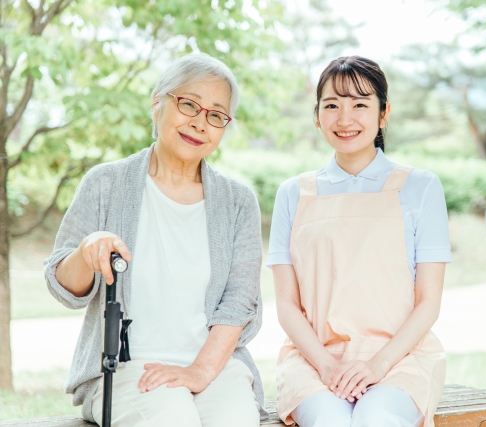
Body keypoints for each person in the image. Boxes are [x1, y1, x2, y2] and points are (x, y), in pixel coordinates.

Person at [44, 53, 265, 427]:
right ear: (157, 102)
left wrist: (198, 372)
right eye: (189, 104)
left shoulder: (238, 202)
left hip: (215, 369)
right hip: (128, 369)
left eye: (215, 115)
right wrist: (86, 251)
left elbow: (239, 302)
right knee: (172, 419)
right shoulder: (106, 184)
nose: (200, 122)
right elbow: (63, 286)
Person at [268, 56, 452, 427]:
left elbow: (428, 302)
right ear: (317, 115)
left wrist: (377, 364)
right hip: (312, 360)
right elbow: (287, 304)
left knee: (378, 420)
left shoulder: (421, 187)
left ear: (383, 114)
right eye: (332, 105)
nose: (344, 118)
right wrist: (325, 365)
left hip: (401, 359)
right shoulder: (293, 193)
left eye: (360, 105)